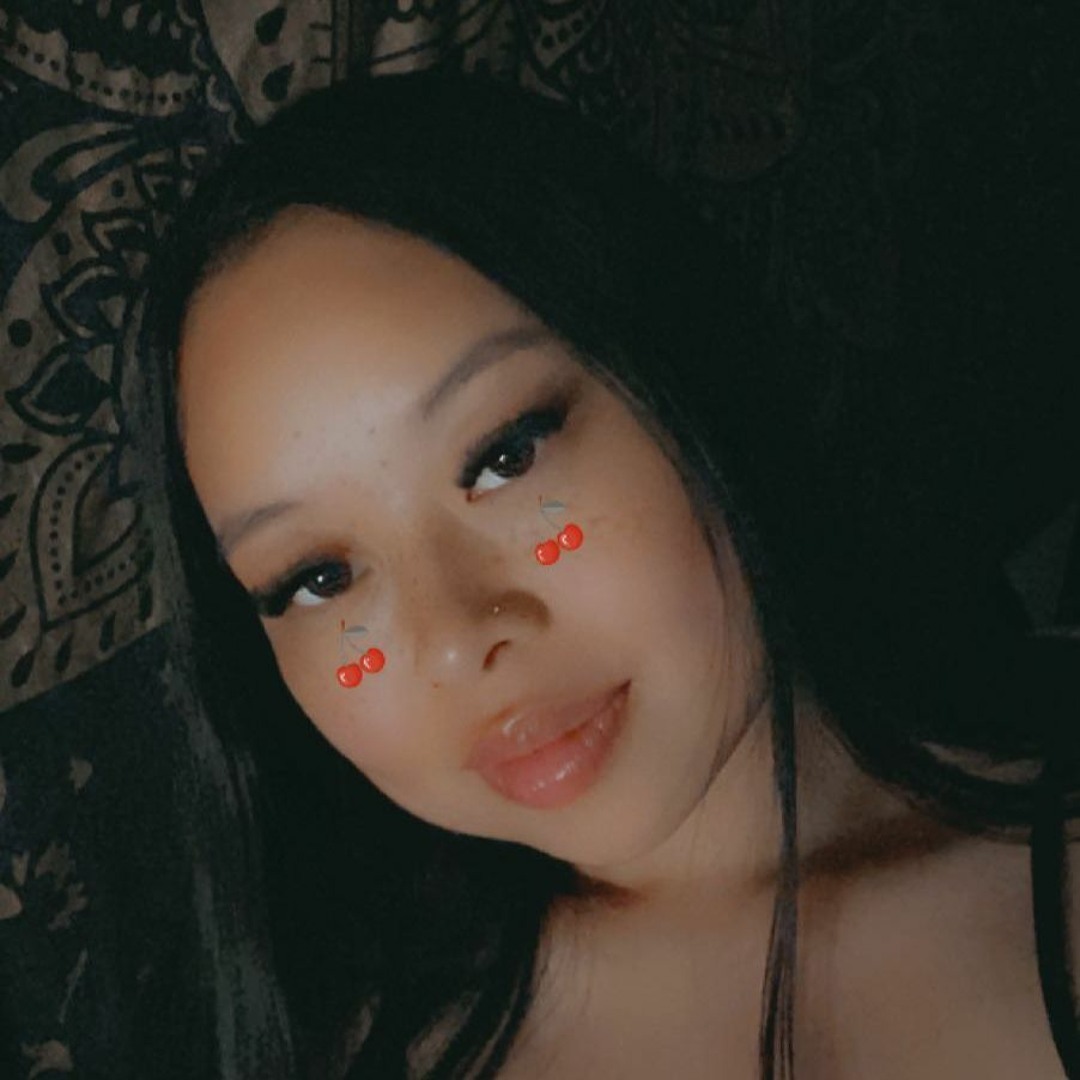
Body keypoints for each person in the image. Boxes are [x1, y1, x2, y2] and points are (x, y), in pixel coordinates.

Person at [138, 72, 1078, 1078]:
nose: (456, 639)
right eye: (319, 578)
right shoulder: (343, 1050)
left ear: (680, 363)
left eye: (505, 456)